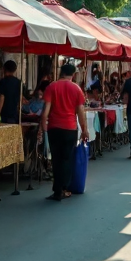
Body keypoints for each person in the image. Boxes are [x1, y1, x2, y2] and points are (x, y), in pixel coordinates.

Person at [39, 63, 89, 201]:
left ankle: (57, 190)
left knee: (56, 159)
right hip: (70, 128)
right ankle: (64, 189)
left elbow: (45, 113)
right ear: (73, 74)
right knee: (66, 159)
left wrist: (44, 129)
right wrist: (85, 130)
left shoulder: (51, 87)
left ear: (61, 72)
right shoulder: (76, 89)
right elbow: (80, 112)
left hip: (54, 128)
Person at [0, 59, 23, 125]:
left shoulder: (2, 82)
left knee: (1, 134)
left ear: (4, 69)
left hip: (3, 116)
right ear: (15, 70)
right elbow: (20, 99)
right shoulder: (19, 83)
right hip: (14, 116)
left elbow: (1, 97)